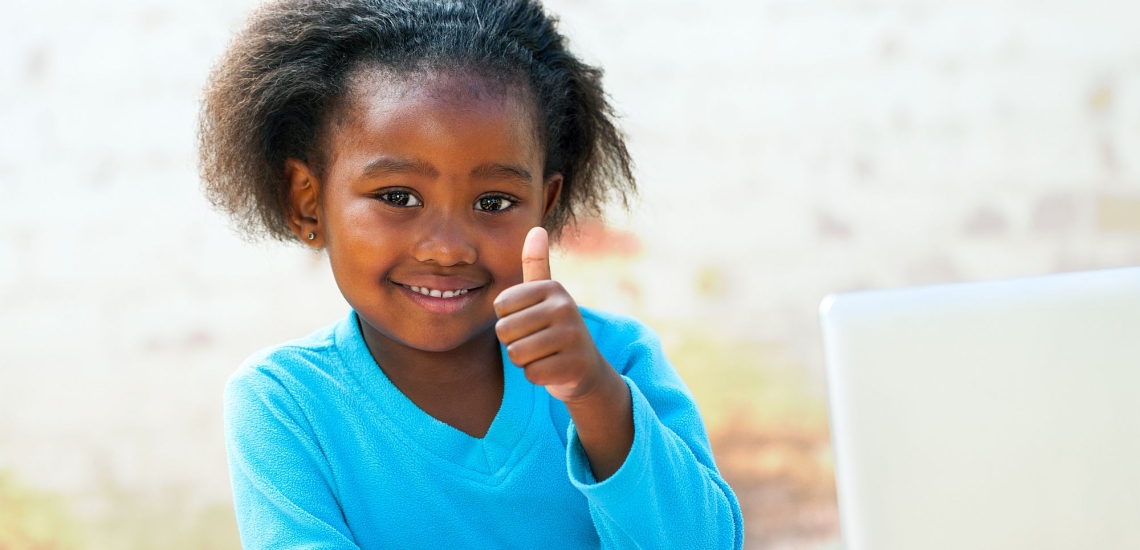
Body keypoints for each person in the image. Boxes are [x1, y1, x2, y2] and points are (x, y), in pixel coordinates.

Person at [198, 0, 744, 547]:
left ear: (545, 205)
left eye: (494, 202)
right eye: (397, 196)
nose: (447, 249)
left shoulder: (616, 360)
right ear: (308, 201)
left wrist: (596, 398)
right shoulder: (286, 404)